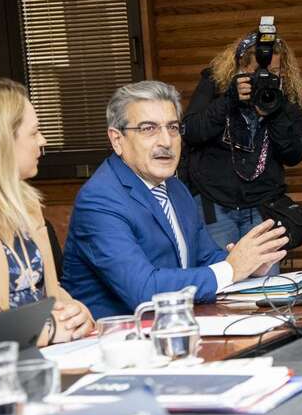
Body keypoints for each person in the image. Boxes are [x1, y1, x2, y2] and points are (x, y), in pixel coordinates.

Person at [62, 81, 288, 319]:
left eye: (172, 128)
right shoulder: (100, 200)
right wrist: (231, 269)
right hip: (116, 341)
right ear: (117, 140)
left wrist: (250, 265)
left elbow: (206, 258)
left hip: (175, 328)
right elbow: (144, 291)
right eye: (148, 129)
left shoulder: (176, 189)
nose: (166, 142)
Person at [0, 79, 94, 356]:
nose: (43, 141)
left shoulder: (25, 202)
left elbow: (46, 293)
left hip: (42, 363)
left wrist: (76, 313)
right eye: (35, 132)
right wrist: (40, 331)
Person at [180, 30, 302, 269]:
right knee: (220, 279)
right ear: (239, 69)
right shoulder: (215, 85)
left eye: (274, 72)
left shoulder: (284, 99)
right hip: (214, 206)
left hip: (261, 207)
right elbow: (191, 132)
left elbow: (294, 155)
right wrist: (229, 100)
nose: (264, 78)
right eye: (256, 72)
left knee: (265, 285)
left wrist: (275, 112)